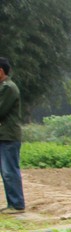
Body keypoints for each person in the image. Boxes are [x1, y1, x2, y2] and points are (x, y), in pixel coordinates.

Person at [0, 57, 25, 214]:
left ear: (1, 71)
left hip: (8, 136)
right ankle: (12, 203)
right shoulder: (3, 87)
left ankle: (17, 204)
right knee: (5, 172)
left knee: (9, 171)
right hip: (3, 135)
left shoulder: (8, 88)